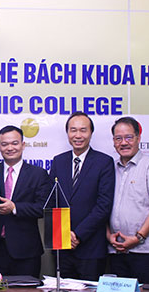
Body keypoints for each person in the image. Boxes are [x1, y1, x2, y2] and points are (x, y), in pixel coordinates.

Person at [48, 112, 115, 281]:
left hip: (91, 247)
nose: (78, 135)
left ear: (91, 133)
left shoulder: (104, 162)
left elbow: (103, 205)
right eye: (73, 130)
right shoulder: (58, 161)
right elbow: (53, 201)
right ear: (67, 133)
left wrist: (78, 235)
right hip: (62, 246)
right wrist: (65, 234)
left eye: (83, 130)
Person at [106, 117, 149, 285]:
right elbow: (102, 205)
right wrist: (108, 236)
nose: (123, 143)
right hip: (116, 250)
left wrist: (138, 237)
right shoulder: (110, 168)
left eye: (129, 137)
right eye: (118, 138)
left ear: (138, 138)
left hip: (145, 250)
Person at [0, 125, 51, 277]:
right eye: (5, 144)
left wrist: (14, 207)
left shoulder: (38, 174)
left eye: (14, 143)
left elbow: (43, 208)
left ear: (23, 145)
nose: (10, 148)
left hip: (26, 251)